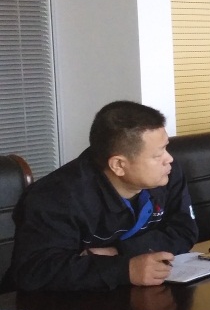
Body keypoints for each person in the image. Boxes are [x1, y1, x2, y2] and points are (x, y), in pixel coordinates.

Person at [3, 101, 198, 292]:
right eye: (157, 155)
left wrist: (119, 252)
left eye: (165, 148)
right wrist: (125, 270)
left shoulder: (167, 174)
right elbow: (35, 270)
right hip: (49, 305)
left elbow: (184, 230)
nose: (169, 159)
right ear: (118, 165)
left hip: (126, 294)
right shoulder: (56, 196)